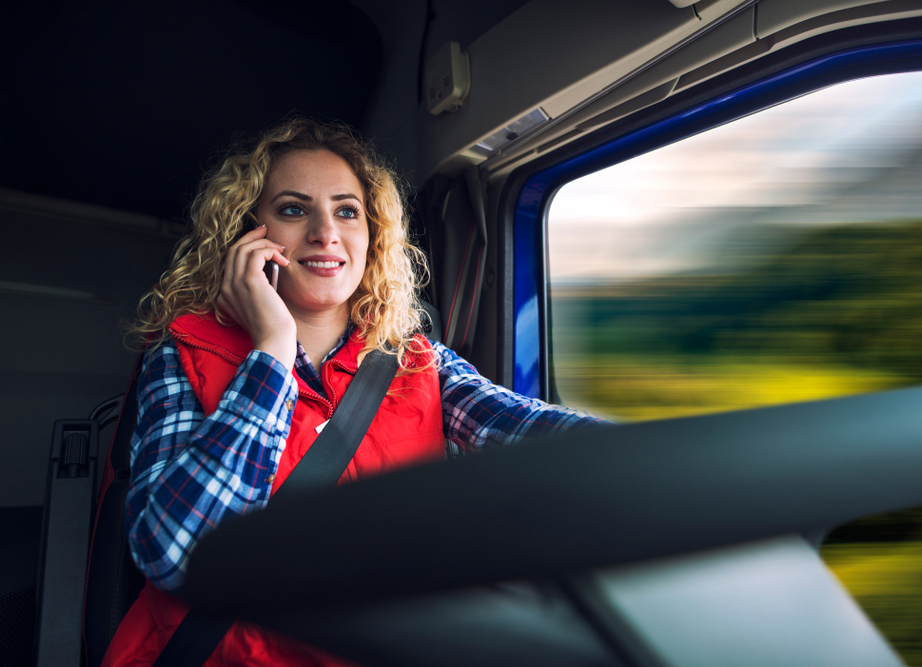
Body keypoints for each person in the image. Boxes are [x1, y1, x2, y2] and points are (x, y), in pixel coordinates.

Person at [102, 118, 605, 667]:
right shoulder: (181, 353)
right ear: (247, 235)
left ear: (372, 234)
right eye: (293, 210)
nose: (325, 232)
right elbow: (179, 554)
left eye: (347, 211)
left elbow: (527, 429)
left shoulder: (417, 362)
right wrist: (271, 351)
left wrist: (654, 459)